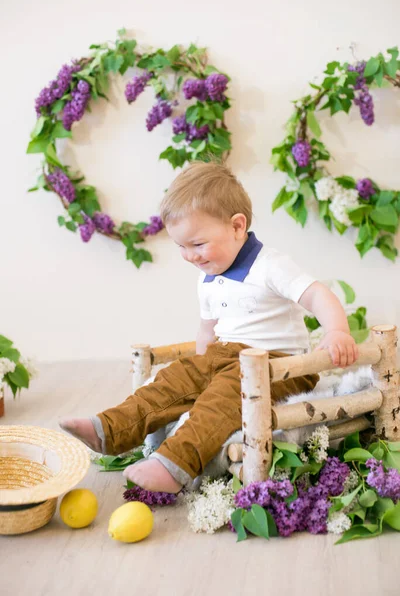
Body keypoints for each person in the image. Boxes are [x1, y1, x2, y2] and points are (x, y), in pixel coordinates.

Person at [60, 161, 358, 493]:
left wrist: (336, 332)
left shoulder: (270, 266)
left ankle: (174, 465)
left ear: (236, 226)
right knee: (171, 379)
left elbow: (318, 295)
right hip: (226, 357)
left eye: (197, 244)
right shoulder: (208, 278)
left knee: (224, 396)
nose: (189, 256)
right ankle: (109, 430)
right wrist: (197, 370)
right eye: (181, 247)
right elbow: (207, 330)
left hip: (279, 366)